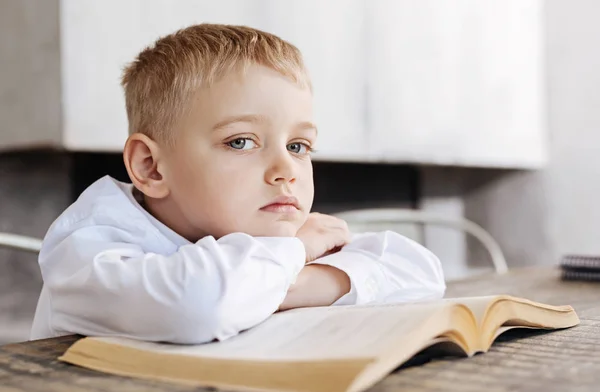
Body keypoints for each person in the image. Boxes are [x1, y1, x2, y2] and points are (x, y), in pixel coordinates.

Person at [30, 24, 445, 344]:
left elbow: (418, 270)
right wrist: (296, 254)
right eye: (241, 142)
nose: (287, 170)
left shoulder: (263, 230)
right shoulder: (87, 243)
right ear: (152, 168)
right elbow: (198, 305)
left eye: (299, 145)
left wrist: (279, 286)